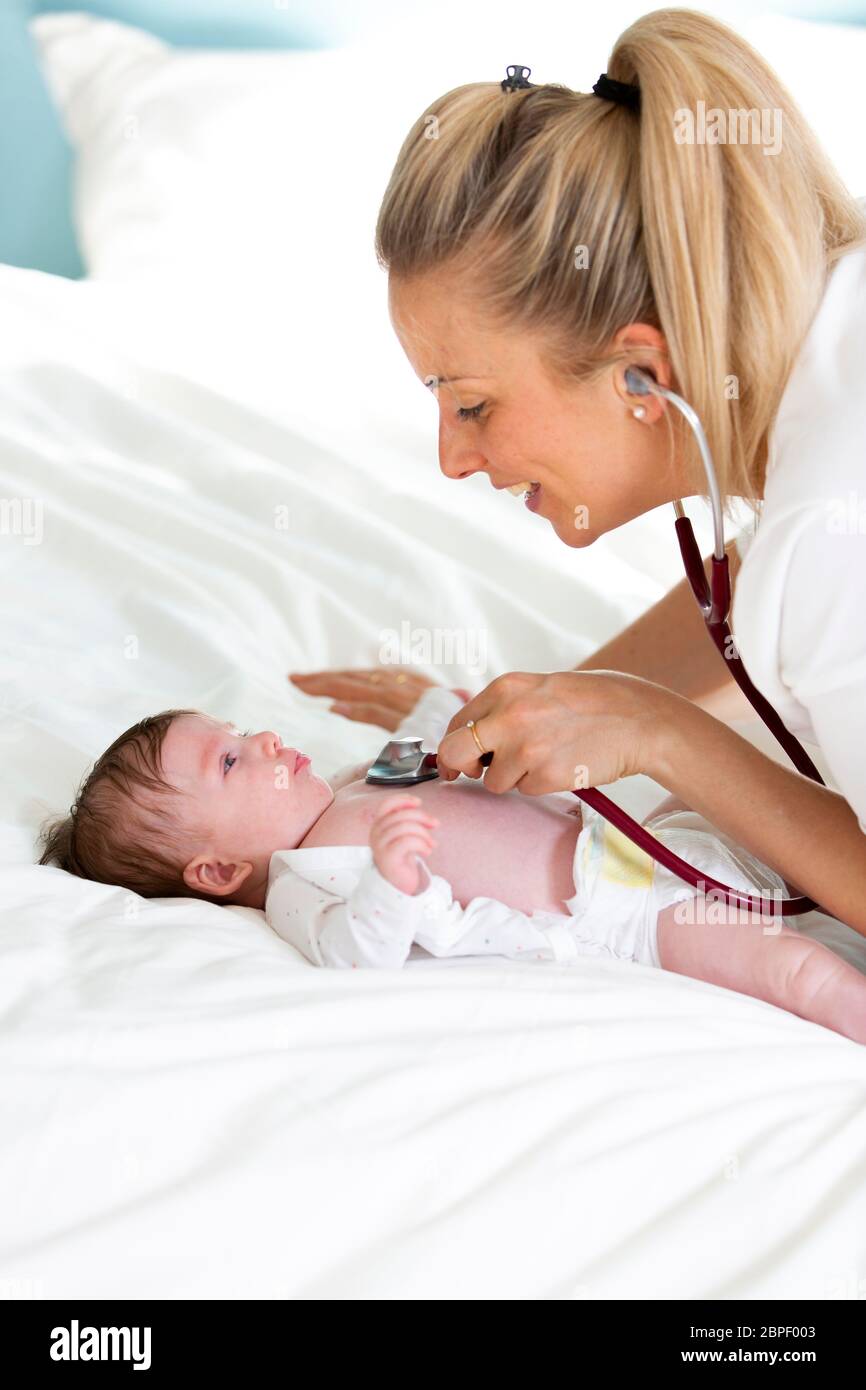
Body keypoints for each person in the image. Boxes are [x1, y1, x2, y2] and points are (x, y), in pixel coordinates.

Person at [289, 9, 866, 936]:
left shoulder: (833, 519)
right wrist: (542, 708)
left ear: (642, 373)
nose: (451, 459)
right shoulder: (835, 345)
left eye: (471, 403)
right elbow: (769, 580)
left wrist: (658, 733)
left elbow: (816, 572)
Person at [34, 692, 866, 1044]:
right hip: (624, 914)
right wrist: (390, 883)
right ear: (216, 874)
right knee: (796, 972)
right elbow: (353, 949)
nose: (261, 742)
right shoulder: (305, 875)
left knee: (784, 813)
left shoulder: (353, 787)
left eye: (239, 729)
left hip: (632, 841)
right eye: (228, 764)